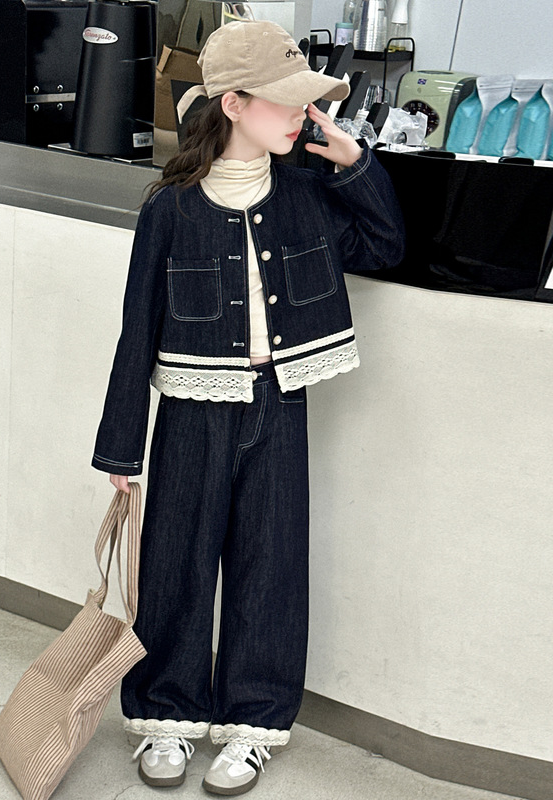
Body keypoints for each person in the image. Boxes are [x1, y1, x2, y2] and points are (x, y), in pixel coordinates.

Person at [91, 19, 404, 797]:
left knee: (272, 568)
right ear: (233, 104)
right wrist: (122, 449)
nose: (303, 115)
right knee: (176, 565)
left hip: (279, 405)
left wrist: (355, 164)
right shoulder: (171, 208)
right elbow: (137, 331)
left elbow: (384, 246)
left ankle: (253, 726)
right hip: (191, 413)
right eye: (286, 101)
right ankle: (165, 715)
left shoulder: (305, 195)